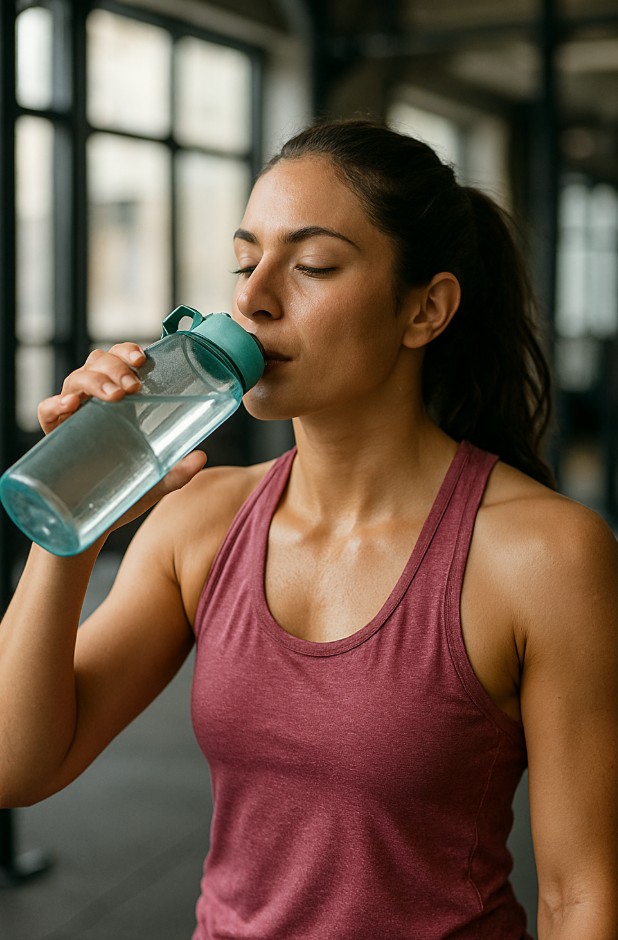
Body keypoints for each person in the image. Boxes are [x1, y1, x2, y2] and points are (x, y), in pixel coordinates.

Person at [0, 118, 617, 939]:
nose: (255, 297)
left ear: (426, 309)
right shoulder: (203, 520)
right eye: (245, 260)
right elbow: (18, 765)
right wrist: (74, 505)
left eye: (314, 264)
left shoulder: (543, 554)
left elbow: (582, 897)